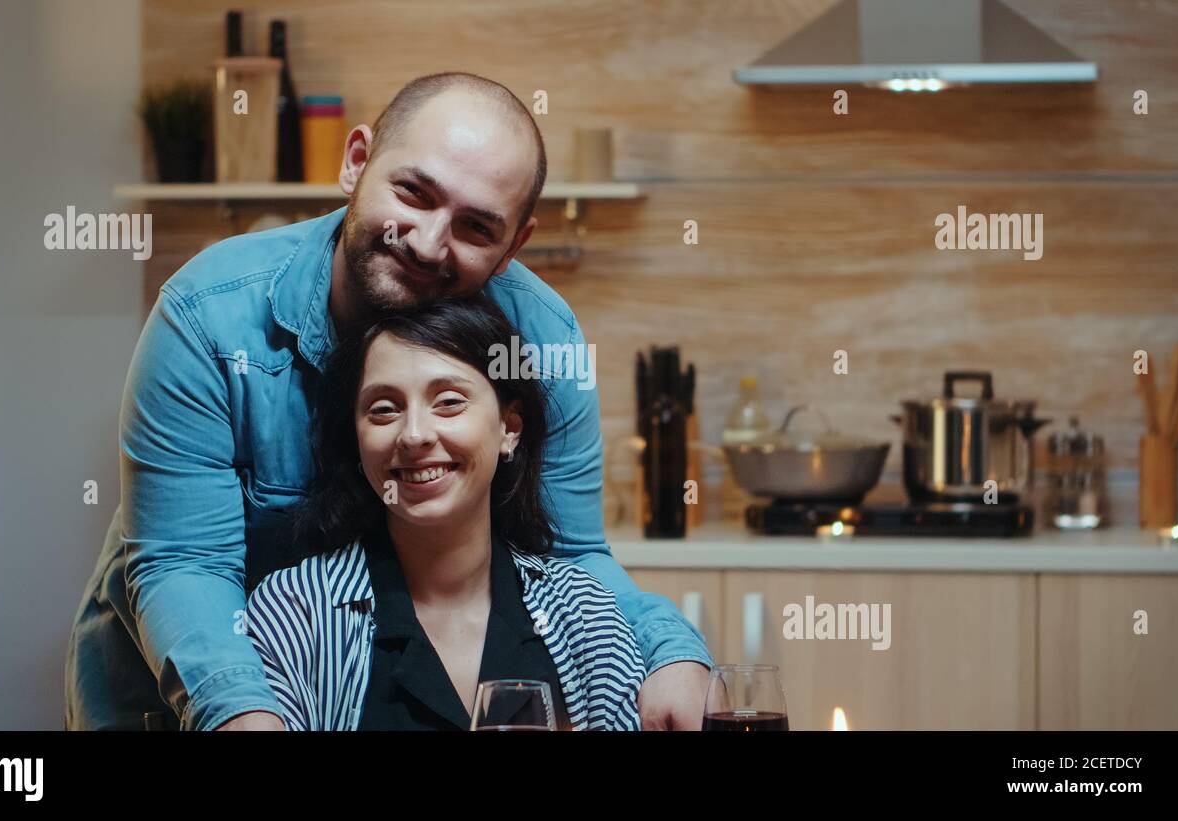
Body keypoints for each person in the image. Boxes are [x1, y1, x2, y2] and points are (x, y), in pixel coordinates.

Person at [64, 71, 710, 731]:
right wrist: (242, 713)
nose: (428, 243)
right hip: (167, 698)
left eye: (476, 227)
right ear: (356, 162)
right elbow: (184, 563)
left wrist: (671, 648)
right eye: (414, 192)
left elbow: (569, 554)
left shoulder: (542, 341)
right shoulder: (207, 317)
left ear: (514, 245)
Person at [245, 296, 643, 730]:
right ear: (357, 442)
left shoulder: (584, 613)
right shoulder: (297, 611)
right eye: (383, 409)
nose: (414, 434)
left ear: (509, 428)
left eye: (449, 402)